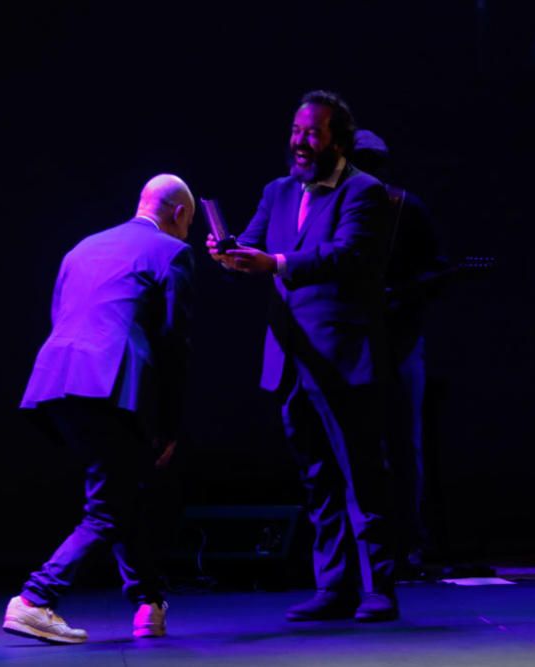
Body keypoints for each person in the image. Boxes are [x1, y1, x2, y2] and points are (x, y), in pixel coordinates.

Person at [207, 91, 397, 622]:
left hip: (341, 356)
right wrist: (228, 251)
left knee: (360, 474)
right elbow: (254, 242)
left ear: (338, 139)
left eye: (311, 132)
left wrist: (274, 261)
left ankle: (377, 587)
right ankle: (333, 587)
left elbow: (347, 255)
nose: (299, 141)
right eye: (295, 130)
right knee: (316, 476)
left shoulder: (365, 191)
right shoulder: (278, 191)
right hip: (291, 358)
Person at [4, 174, 196, 644]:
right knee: (110, 506)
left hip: (57, 379)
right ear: (179, 215)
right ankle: (34, 599)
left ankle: (148, 604)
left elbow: (61, 314)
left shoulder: (82, 247)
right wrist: (168, 426)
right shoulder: (172, 252)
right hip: (110, 385)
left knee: (124, 490)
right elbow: (173, 343)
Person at [352, 129, 444, 576]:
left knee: (404, 444)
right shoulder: (339, 209)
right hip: (350, 341)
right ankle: (369, 546)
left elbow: (436, 271)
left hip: (400, 339)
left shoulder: (406, 208)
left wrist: (400, 295)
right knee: (363, 446)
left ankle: (408, 544)